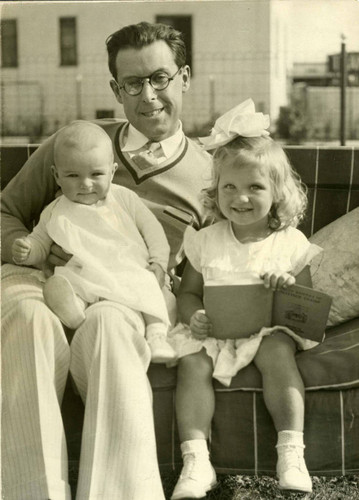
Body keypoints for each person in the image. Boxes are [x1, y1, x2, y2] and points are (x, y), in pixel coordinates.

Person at [1, 21, 212, 500]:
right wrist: (33, 250)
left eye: (160, 78)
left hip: (123, 299)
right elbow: (5, 212)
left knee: (113, 330)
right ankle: (29, 493)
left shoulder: (211, 174)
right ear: (116, 90)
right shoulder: (75, 144)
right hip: (44, 277)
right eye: (133, 84)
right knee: (27, 316)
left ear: (184, 76)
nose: (149, 96)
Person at [169, 100, 322, 499]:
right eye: (229, 188)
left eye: (255, 187)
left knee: (277, 352)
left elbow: (306, 307)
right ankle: (196, 459)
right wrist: (195, 313)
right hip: (216, 331)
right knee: (191, 362)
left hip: (268, 331)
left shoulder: (289, 243)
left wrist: (285, 285)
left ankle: (291, 452)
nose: (240, 198)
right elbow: (187, 292)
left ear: (278, 193)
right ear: (215, 192)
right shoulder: (205, 241)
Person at [11, 121, 176, 363]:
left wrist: (158, 263)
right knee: (66, 282)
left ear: (112, 171)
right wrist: (27, 250)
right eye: (72, 175)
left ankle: (157, 336)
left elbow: (153, 232)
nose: (85, 184)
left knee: (152, 290)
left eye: (96, 174)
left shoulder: (123, 198)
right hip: (84, 273)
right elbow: (40, 242)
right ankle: (74, 314)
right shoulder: (55, 210)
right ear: (57, 176)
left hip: (127, 269)